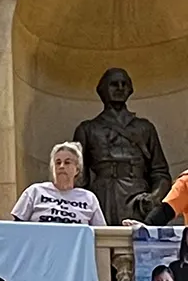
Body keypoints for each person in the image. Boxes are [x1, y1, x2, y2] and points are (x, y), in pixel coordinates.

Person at [73, 68, 171, 224]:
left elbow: (160, 173)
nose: (120, 88)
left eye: (124, 84)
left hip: (137, 199)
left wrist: (155, 197)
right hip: (102, 197)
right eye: (114, 84)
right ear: (103, 90)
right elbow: (78, 177)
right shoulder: (87, 129)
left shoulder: (145, 128)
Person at [11, 142, 106, 225]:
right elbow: (17, 227)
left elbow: (101, 233)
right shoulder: (35, 191)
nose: (61, 166)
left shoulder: (89, 198)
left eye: (67, 163)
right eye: (58, 162)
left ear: (77, 169)